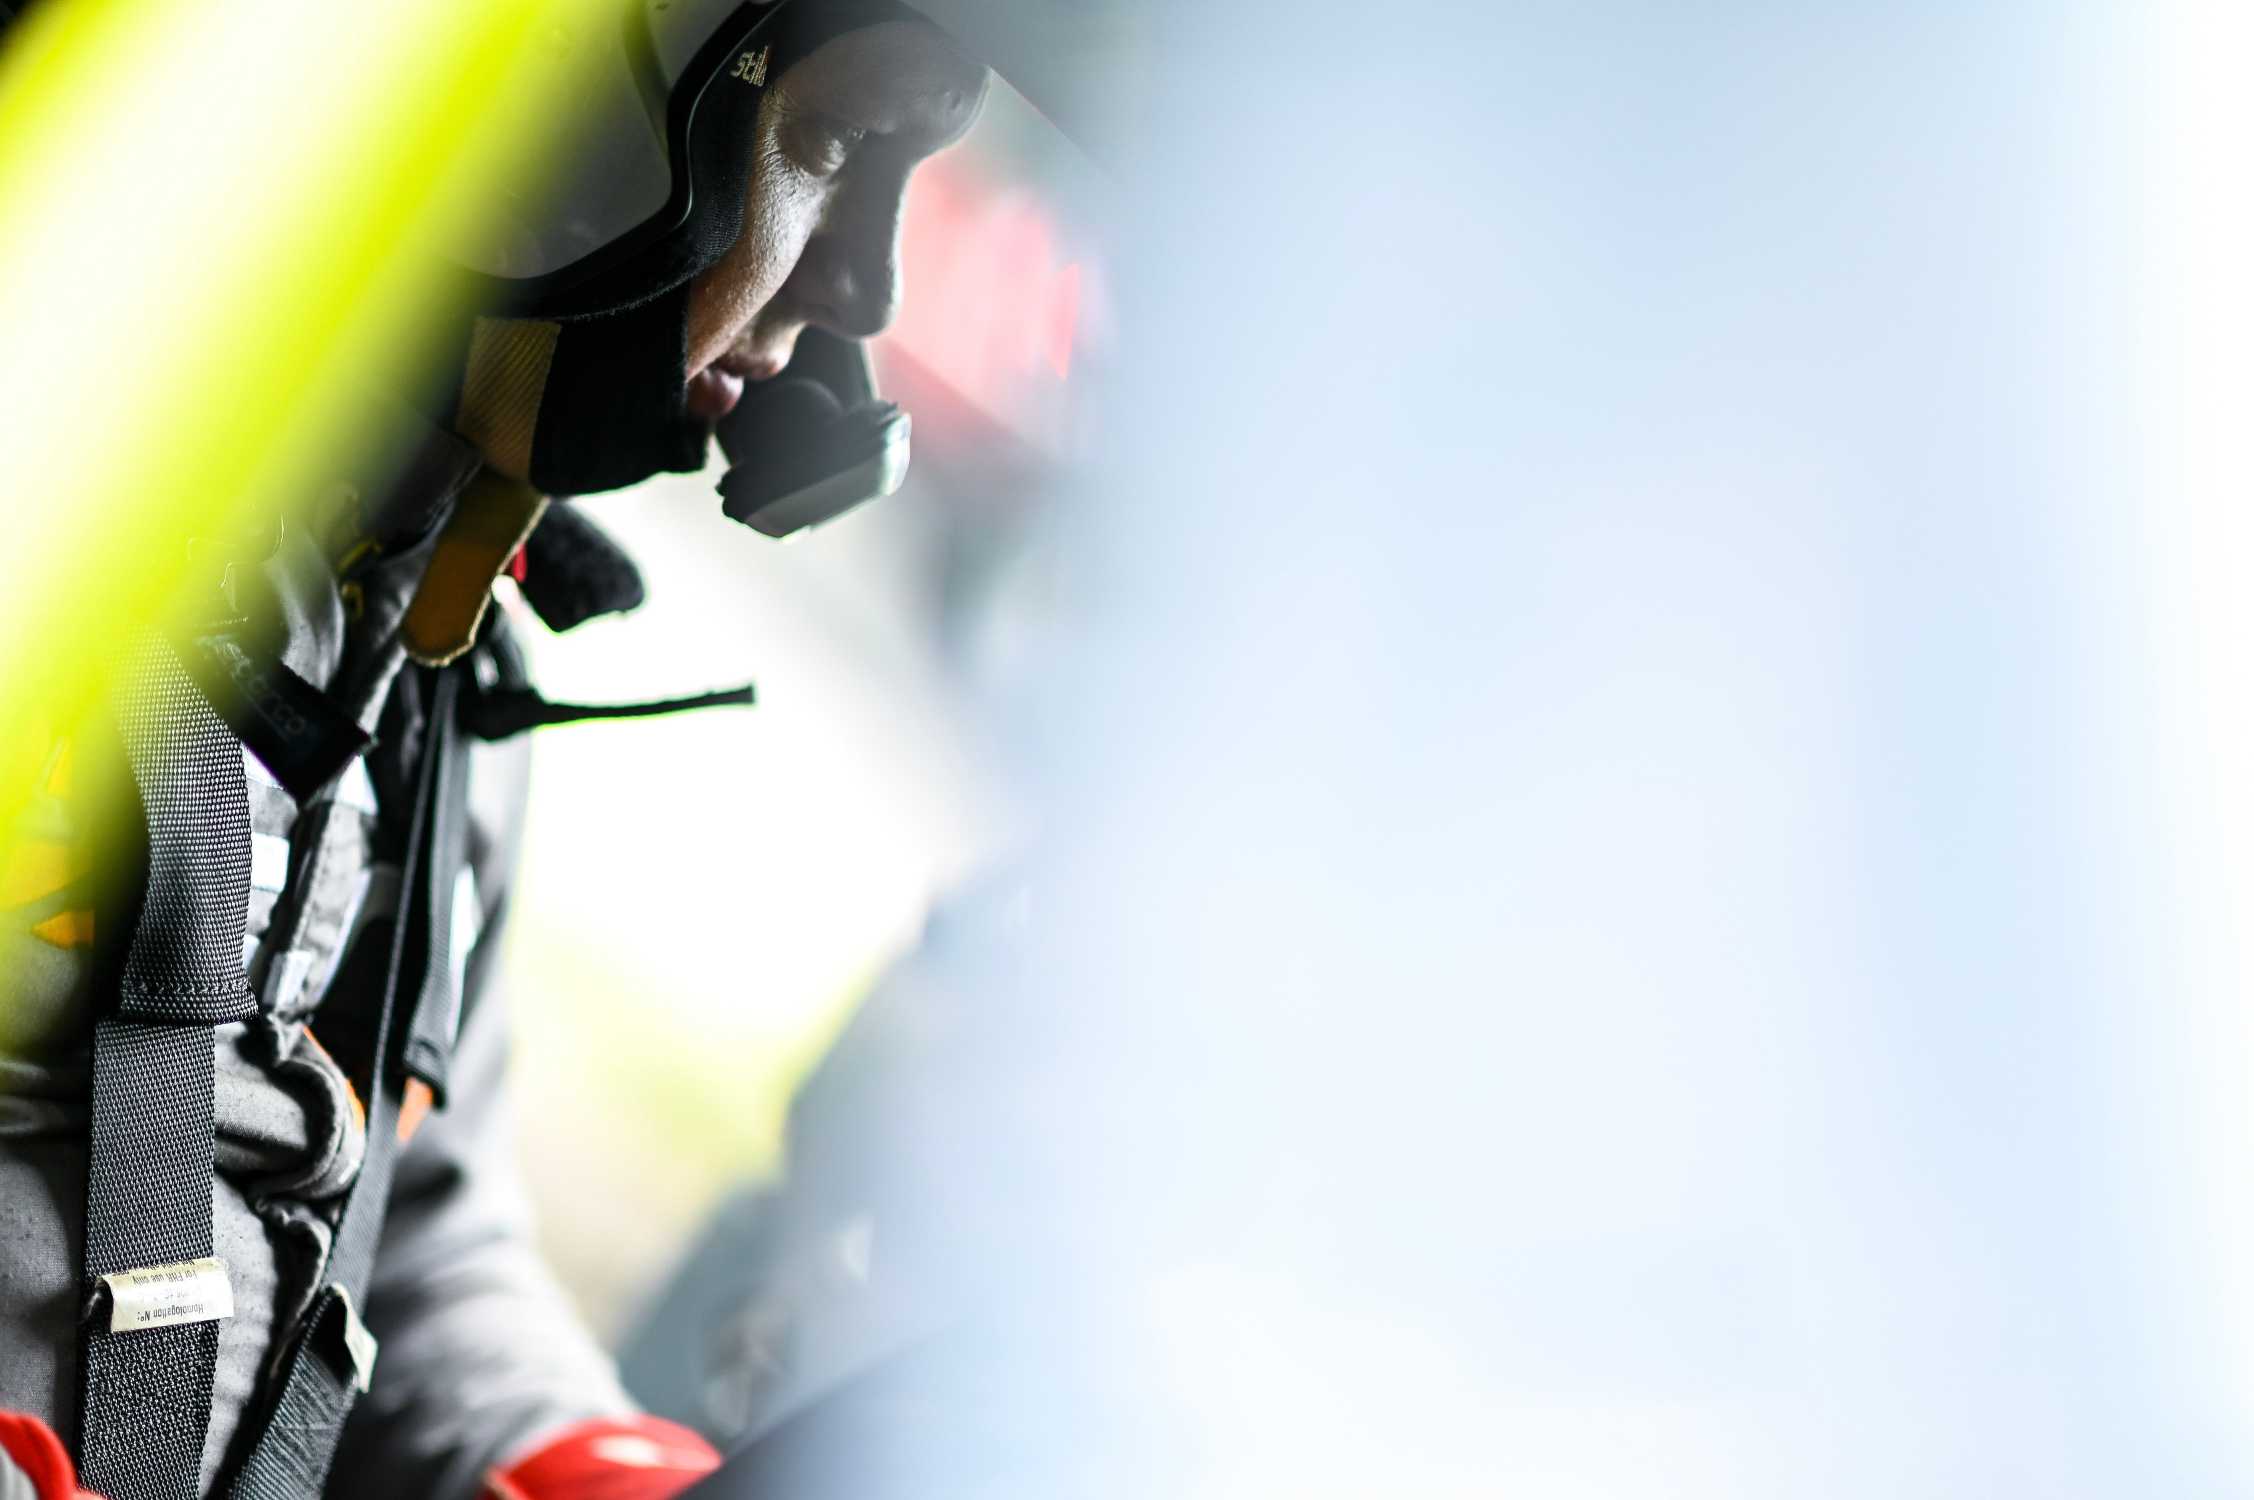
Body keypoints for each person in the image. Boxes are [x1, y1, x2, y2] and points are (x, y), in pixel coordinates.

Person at [0, 2, 1063, 1496]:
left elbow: (413, 1239)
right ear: (567, 125)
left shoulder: (432, 661)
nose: (866, 287)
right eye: (835, 145)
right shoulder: (52, 474)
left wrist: (596, 1470)